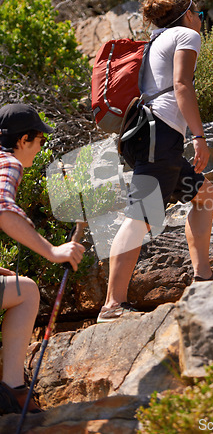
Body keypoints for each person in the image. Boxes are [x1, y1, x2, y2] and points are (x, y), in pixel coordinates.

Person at [97, 0, 213, 323]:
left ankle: (203, 277)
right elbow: (182, 85)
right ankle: (113, 304)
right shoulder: (184, 35)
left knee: (203, 194)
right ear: (189, 13)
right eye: (200, 14)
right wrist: (199, 136)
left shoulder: (157, 39)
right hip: (161, 134)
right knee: (141, 216)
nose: (201, 20)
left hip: (149, 135)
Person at [0, 103, 85, 413]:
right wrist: (52, 251)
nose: (39, 149)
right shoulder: (8, 163)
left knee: (18, 285)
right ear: (24, 140)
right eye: (40, 141)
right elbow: (3, 211)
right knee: (28, 292)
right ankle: (14, 391)